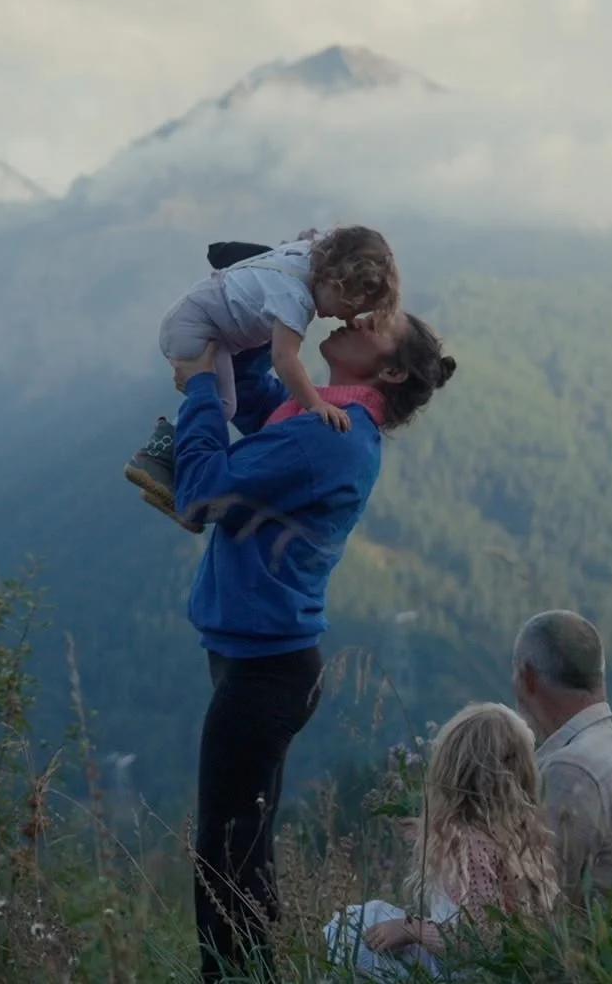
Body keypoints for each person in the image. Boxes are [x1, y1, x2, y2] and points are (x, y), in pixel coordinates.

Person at [167, 311, 456, 982]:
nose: (356, 315)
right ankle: (257, 970)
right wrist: (259, 312)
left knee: (224, 856)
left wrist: (200, 389)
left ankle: (238, 976)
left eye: (376, 321)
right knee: (242, 850)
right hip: (262, 662)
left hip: (265, 672)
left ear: (390, 371)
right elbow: (253, 390)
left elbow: (201, 493)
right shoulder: (318, 415)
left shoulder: (329, 438)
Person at [126, 226, 400, 532]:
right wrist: (316, 404)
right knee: (223, 405)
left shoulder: (307, 256)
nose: (347, 318)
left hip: (192, 315)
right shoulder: (296, 299)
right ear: (336, 281)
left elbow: (322, 239)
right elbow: (285, 359)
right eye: (350, 307)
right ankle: (159, 454)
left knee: (222, 399)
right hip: (198, 329)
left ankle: (167, 476)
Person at [323, 703, 561, 980]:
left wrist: (413, 929)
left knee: (353, 926)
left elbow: (481, 941)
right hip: (496, 970)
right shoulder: (519, 835)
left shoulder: (471, 847)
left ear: (450, 772)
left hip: (463, 973)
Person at [511, 610, 612, 900]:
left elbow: (537, 902)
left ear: (528, 677)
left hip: (593, 931)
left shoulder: (568, 769)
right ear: (599, 675)